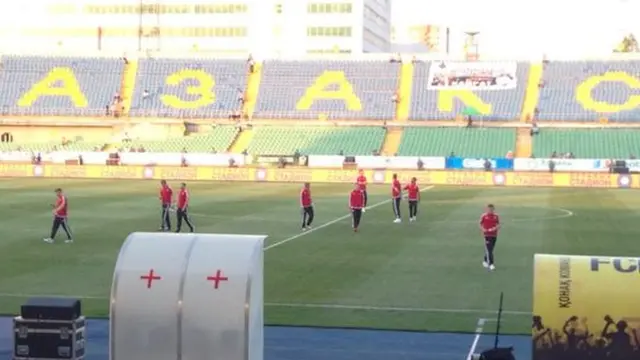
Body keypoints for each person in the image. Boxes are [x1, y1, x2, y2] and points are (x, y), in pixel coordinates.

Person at [479, 204, 501, 271]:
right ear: (487, 209)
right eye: (489, 209)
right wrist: (483, 229)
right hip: (487, 235)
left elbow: (499, 225)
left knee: (491, 249)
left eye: (491, 209)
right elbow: (480, 224)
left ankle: (485, 261)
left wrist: (494, 228)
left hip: (494, 235)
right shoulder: (484, 216)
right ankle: (491, 264)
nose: (490, 210)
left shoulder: (496, 216)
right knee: (489, 250)